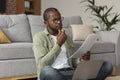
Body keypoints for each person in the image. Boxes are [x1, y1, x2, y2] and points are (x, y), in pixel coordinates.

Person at [33, 7, 113, 80]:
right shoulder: (39, 37)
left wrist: (81, 60)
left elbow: (72, 62)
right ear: (46, 23)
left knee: (107, 65)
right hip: (55, 73)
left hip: (71, 71)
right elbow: (42, 64)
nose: (59, 22)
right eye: (55, 20)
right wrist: (58, 44)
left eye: (60, 19)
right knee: (46, 71)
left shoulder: (67, 37)